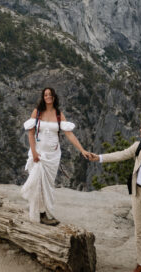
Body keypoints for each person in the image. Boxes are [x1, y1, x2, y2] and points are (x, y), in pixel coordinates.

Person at [89, 118, 141, 272]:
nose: (140, 130)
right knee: (139, 231)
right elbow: (120, 155)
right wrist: (99, 158)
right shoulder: (138, 146)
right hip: (137, 193)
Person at [21, 86, 93, 225]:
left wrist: (82, 150)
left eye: (50, 94)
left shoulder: (59, 114)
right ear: (43, 97)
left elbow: (69, 134)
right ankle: (42, 215)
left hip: (53, 156)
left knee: (47, 185)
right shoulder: (37, 112)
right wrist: (34, 152)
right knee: (38, 184)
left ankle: (44, 213)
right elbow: (30, 133)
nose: (48, 97)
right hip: (39, 154)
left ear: (54, 97)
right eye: (45, 95)